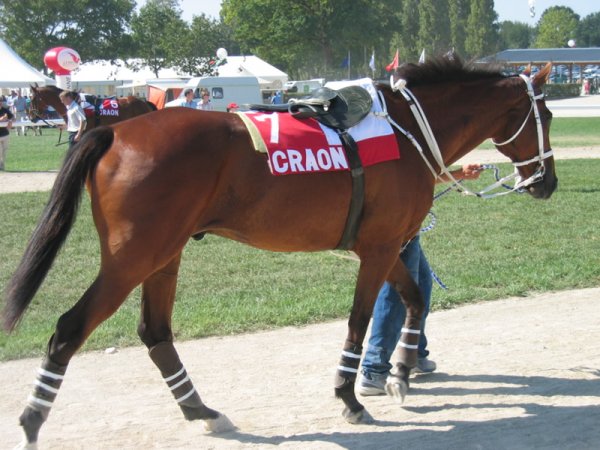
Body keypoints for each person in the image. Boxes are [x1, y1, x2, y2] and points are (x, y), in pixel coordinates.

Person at [358, 163, 482, 396]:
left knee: (422, 285)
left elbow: (419, 175)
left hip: (404, 223)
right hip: (397, 224)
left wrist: (458, 174)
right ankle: (374, 370)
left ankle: (413, 352)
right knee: (399, 293)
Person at [0, 102, 14, 171]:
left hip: (5, 134)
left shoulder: (5, 110)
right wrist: (1, 119)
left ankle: (2, 167)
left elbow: (13, 117)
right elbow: (2, 119)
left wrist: (10, 120)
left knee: (4, 153)